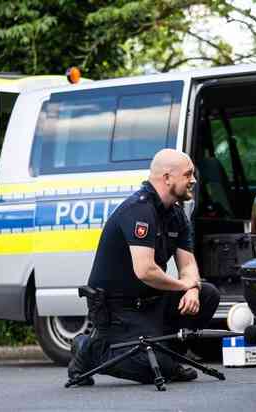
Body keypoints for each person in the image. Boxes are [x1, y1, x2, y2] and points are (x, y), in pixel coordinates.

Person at [67, 149, 220, 385]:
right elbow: (145, 270)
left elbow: (188, 263)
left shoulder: (176, 214)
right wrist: (183, 284)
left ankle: (171, 354)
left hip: (150, 302)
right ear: (167, 177)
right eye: (188, 174)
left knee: (207, 294)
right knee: (154, 366)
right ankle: (88, 349)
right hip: (117, 311)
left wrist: (192, 288)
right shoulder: (139, 210)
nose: (194, 180)